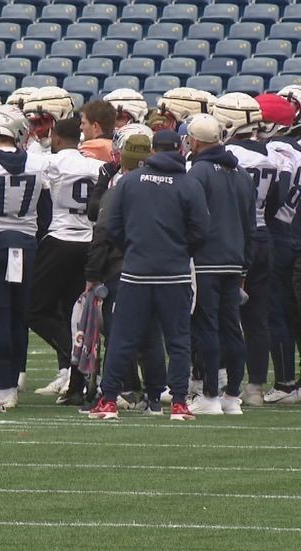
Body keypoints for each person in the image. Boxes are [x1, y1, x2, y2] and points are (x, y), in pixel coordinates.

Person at [89, 130, 210, 421]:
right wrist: (180, 251)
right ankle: (179, 403)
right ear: (179, 149)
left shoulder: (129, 182)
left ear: (153, 150)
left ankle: (108, 400)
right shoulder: (189, 184)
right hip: (175, 273)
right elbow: (201, 231)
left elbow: (111, 227)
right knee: (178, 340)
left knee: (123, 338)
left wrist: (132, 248)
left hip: (136, 272)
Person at [181, 114, 256, 416]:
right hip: (234, 260)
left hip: (206, 261)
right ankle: (232, 394)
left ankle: (210, 394)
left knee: (206, 328)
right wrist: (245, 266)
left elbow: (190, 219)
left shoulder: (197, 172)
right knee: (232, 329)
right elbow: (251, 226)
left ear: (195, 140)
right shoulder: (241, 174)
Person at [215, 93, 284, 406]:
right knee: (257, 316)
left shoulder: (228, 154)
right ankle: (254, 386)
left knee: (222, 315)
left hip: (231, 237)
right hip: (262, 236)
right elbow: (276, 203)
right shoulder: (269, 154)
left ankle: (222, 383)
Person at [28, 118, 104, 403]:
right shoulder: (97, 166)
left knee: (34, 310)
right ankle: (76, 385)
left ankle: (74, 356)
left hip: (60, 240)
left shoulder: (53, 162)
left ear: (57, 139)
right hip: (89, 244)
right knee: (78, 314)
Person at [0, 105, 47, 409]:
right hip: (25, 244)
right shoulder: (38, 163)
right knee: (19, 316)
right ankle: (14, 379)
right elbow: (46, 211)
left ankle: (1, 382)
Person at [255, 93, 301, 404]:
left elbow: (275, 197)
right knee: (290, 311)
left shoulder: (275, 151)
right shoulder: (295, 150)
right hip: (291, 233)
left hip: (275, 234)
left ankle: (285, 383)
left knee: (275, 312)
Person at [22, 87, 75, 156]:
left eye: (42, 122)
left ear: (62, 115)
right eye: (34, 123)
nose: (37, 130)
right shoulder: (33, 148)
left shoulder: (80, 148)